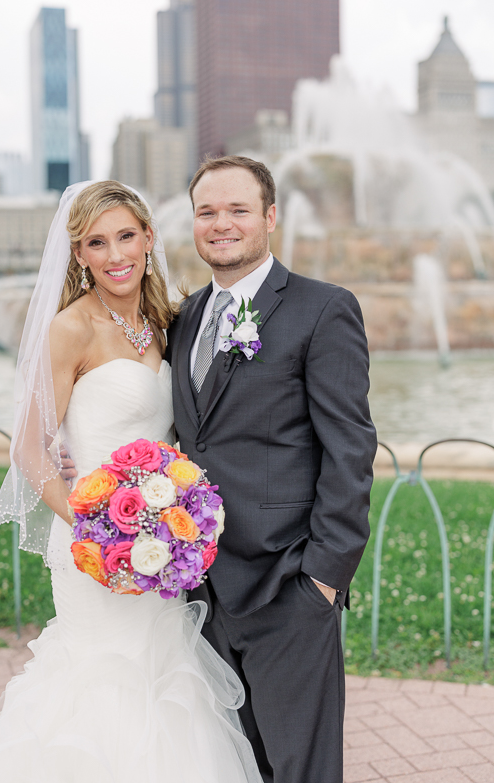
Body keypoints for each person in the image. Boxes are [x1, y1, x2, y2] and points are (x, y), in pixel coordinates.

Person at [0, 181, 262, 783]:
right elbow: (28, 448)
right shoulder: (70, 329)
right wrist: (99, 529)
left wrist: (170, 520)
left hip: (162, 545)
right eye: (97, 243)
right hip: (94, 547)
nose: (115, 254)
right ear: (79, 255)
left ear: (149, 238)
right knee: (101, 680)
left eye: (127, 236)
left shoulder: (168, 319)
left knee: (162, 676)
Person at [166, 156, 378, 783]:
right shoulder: (185, 318)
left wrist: (323, 579)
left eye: (238, 210)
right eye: (208, 212)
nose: (221, 224)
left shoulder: (323, 309)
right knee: (233, 765)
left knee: (301, 768)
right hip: (199, 589)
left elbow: (350, 448)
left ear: (270, 217)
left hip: (287, 584)